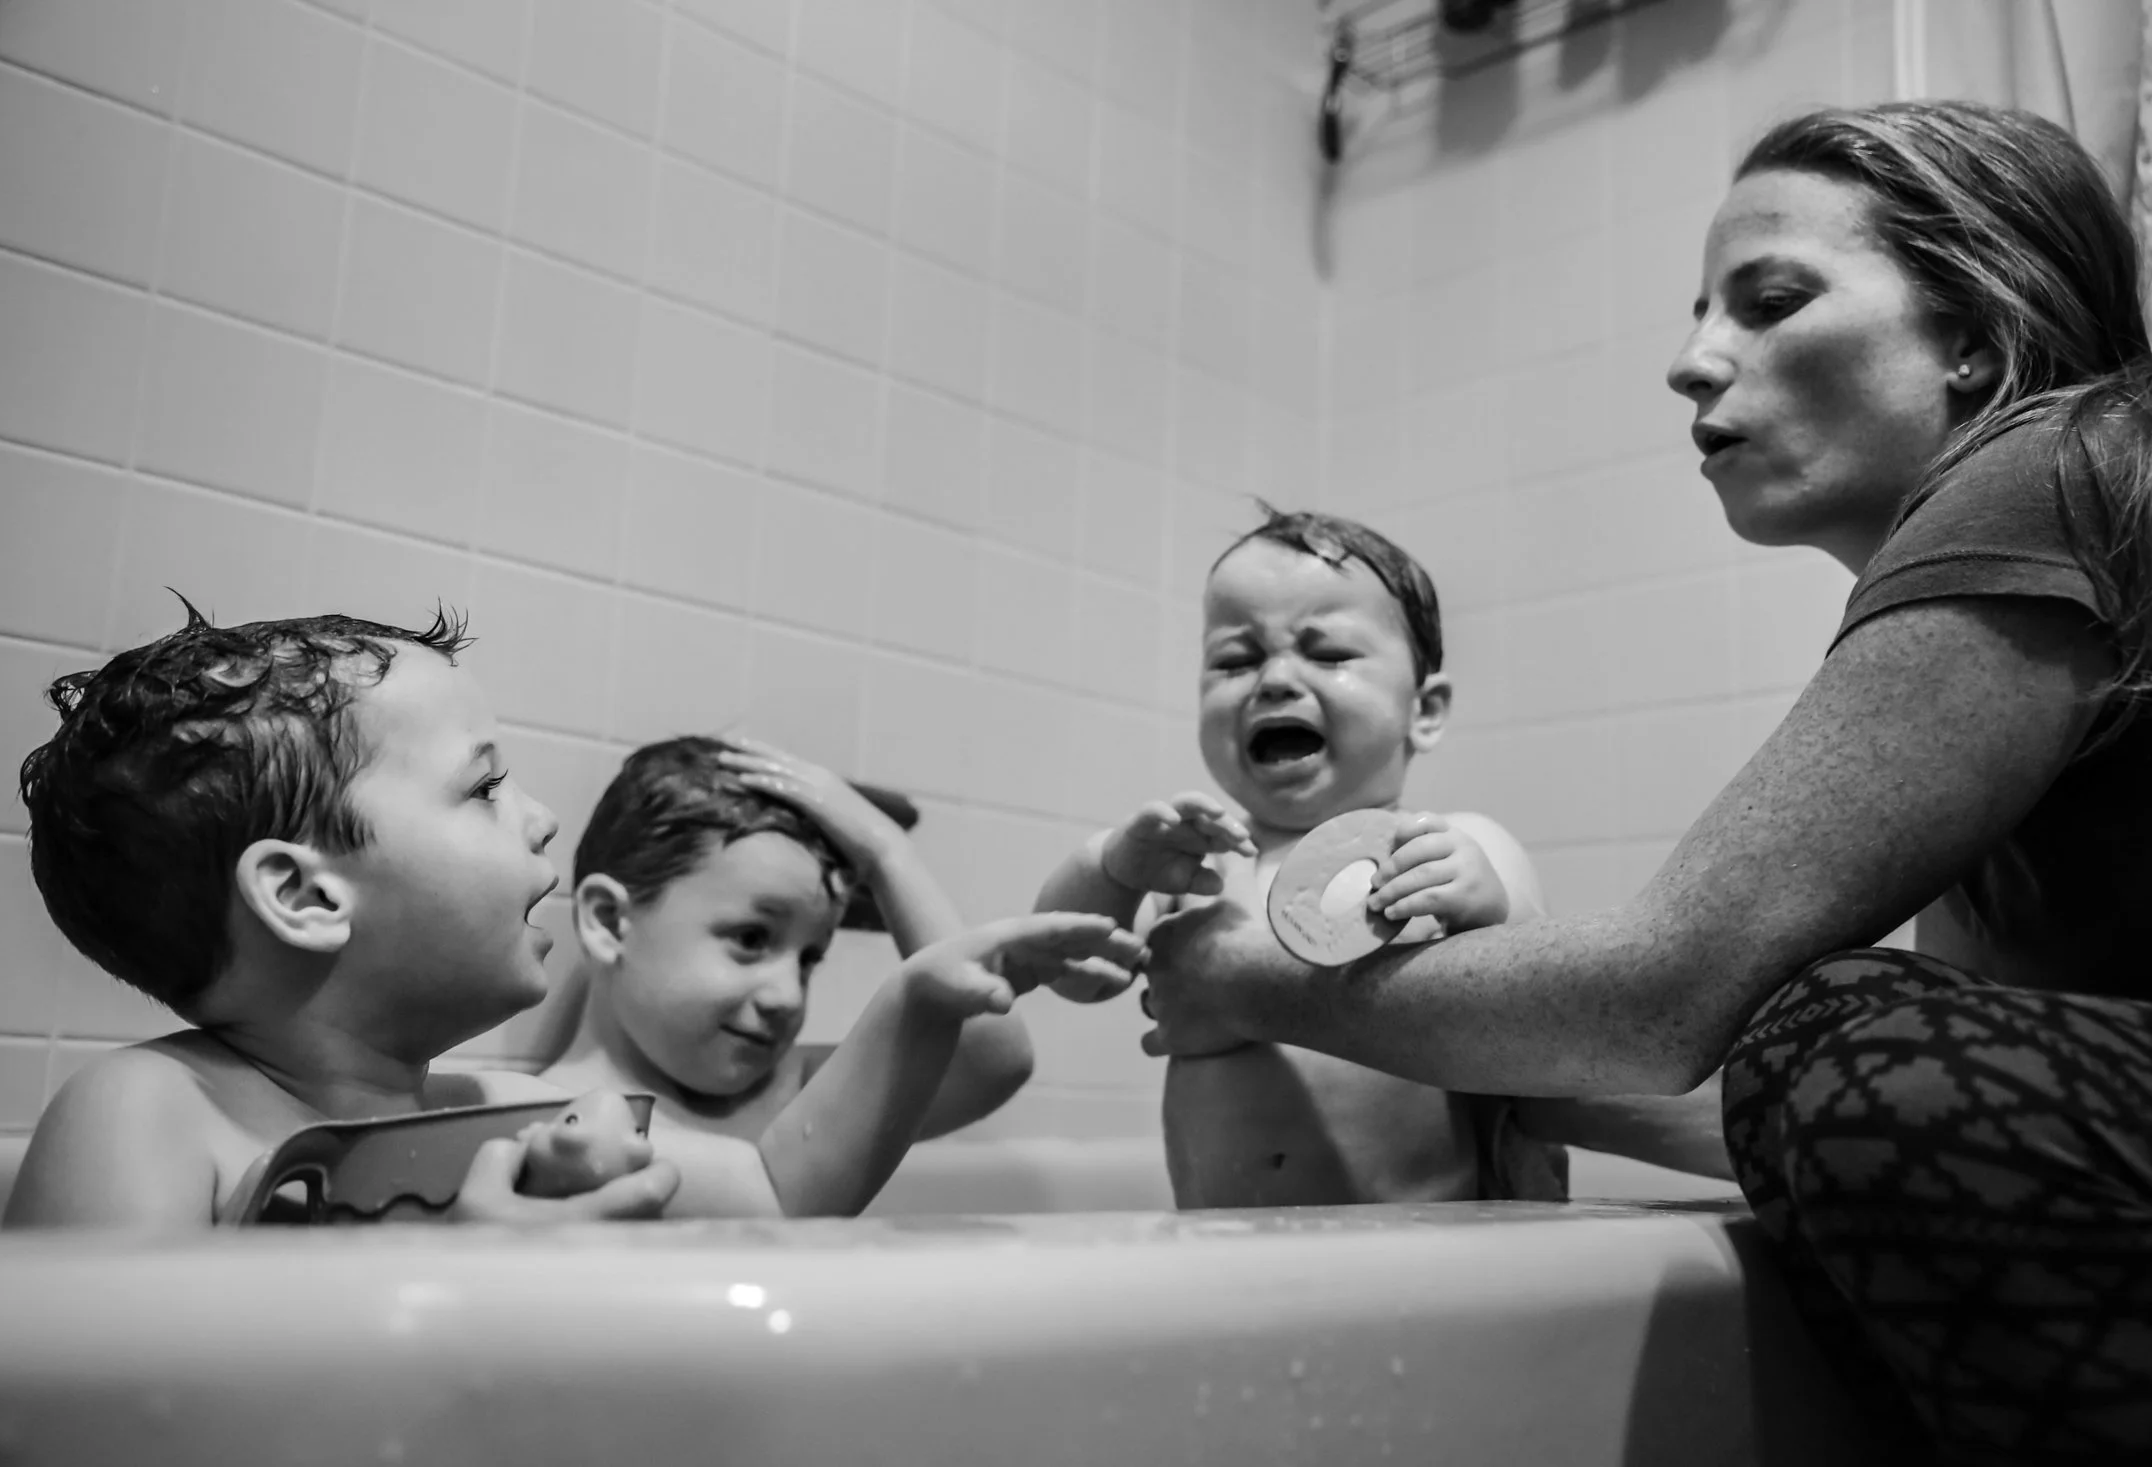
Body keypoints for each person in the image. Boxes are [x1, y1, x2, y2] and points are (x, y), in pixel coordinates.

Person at [1127, 101, 2152, 1461]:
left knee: (1831, 1026)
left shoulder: (2060, 464)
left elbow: (1677, 1001)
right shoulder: (2032, 646)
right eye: (1701, 314)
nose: (1690, 363)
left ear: (1975, 335)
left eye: (1772, 300)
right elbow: (1894, 1135)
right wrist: (1481, 1076)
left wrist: (1243, 976)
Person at [4, 607, 1140, 1228]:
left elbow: (782, 1191)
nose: (541, 819)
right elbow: (81, 1413)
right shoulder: (151, 1113)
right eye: (484, 788)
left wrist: (919, 996)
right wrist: (443, 1294)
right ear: (305, 896)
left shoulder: (522, 1115)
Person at [1036, 508, 1729, 1208]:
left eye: (1329, 653)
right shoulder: (1201, 868)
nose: (1273, 679)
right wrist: (1112, 866)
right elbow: (1070, 973)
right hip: (1226, 1252)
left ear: (1423, 711)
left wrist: (1485, 901)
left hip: (1425, 1245)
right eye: (1234, 659)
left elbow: (1536, 990)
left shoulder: (1449, 843)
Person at [542, 735, 1036, 1146]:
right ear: (608, 922)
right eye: (751, 938)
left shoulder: (795, 1095)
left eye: (809, 959)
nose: (789, 996)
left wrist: (888, 856)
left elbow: (993, 1060)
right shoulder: (541, 1127)